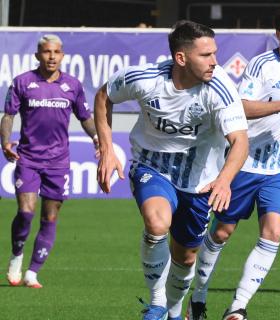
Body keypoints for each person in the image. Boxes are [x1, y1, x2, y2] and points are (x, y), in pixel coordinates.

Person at [94, 21, 248, 320]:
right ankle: (155, 305)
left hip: (201, 180)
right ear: (181, 58)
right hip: (152, 166)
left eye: (215, 53)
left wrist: (225, 180)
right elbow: (104, 96)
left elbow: (240, 141)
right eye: (205, 55)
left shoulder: (220, 87)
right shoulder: (145, 78)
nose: (215, 61)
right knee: (156, 223)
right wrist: (107, 148)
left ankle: (174, 312)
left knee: (186, 256)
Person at [186, 5, 280, 320]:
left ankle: (237, 308)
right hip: (245, 163)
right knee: (221, 234)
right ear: (278, 34)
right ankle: (198, 298)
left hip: (279, 168)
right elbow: (241, 106)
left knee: (272, 231)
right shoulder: (261, 65)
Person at [3, 34, 98, 289]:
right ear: (38, 55)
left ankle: (33, 272)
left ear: (62, 55)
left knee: (50, 218)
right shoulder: (23, 82)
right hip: (28, 158)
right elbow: (9, 115)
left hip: (58, 161)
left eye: (56, 52)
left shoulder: (73, 85)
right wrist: (5, 142)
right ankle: (16, 255)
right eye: (46, 52)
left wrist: (97, 137)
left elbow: (85, 116)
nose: (52, 56)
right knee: (25, 212)